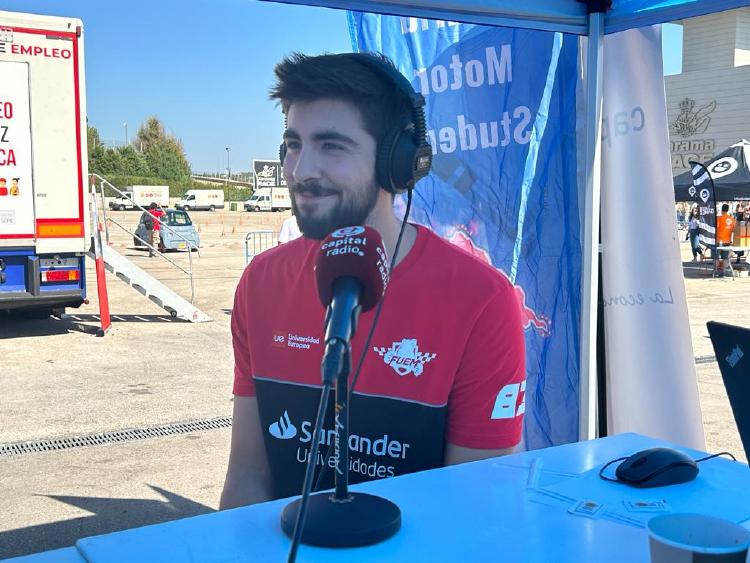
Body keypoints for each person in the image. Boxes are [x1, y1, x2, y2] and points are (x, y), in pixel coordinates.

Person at [220, 52, 526, 509]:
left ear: (396, 164)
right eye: (294, 144)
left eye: (332, 146)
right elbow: (247, 474)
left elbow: (478, 508)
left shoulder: (481, 300)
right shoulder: (260, 284)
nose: (301, 170)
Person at [716, 203, 735, 276]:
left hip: (718, 240)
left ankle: (716, 271)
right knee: (725, 258)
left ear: (721, 210)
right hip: (727, 241)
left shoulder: (719, 218)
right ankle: (723, 272)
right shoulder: (732, 219)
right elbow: (734, 230)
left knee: (716, 257)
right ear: (728, 210)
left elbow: (715, 228)